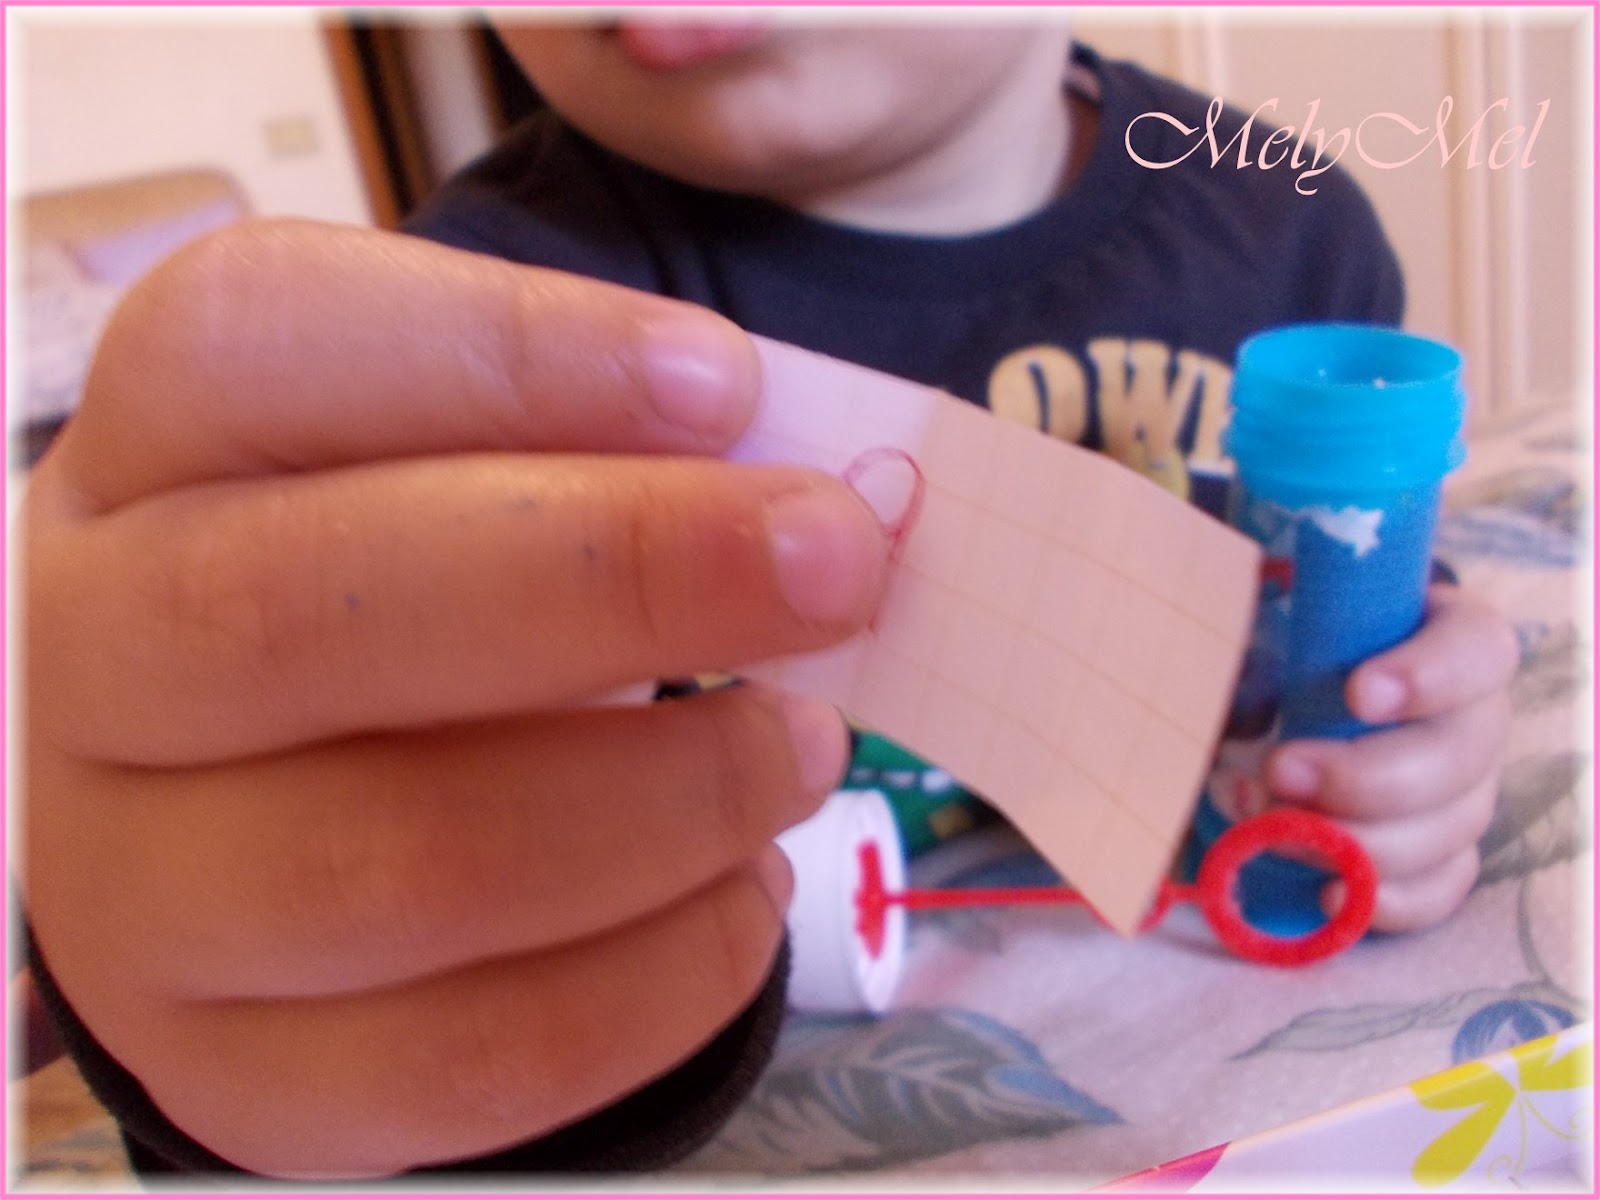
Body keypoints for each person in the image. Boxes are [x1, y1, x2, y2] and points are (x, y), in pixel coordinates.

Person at [20, 16, 1519, 1181]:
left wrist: (1399, 738)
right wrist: (169, 985)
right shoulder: (474, 321)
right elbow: (335, 941)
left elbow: (1349, 636)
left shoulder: (1290, 223)